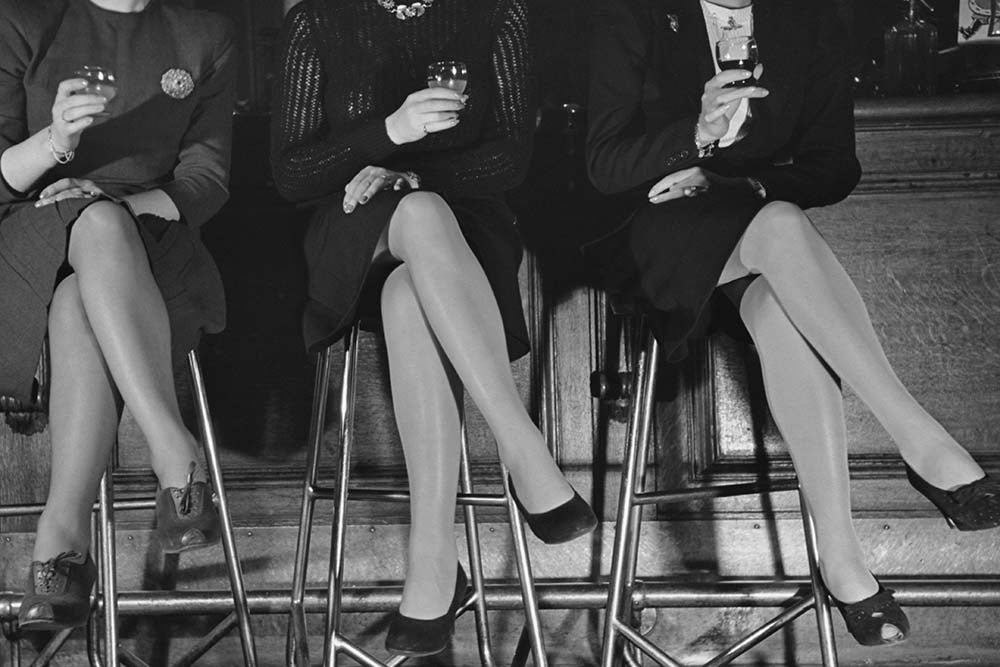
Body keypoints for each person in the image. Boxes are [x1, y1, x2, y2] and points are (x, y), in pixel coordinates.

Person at [585, 0, 1000, 647]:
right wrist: (694, 134)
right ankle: (920, 440)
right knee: (781, 225)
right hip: (648, 233)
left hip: (752, 233)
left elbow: (834, 164)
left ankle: (844, 561)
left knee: (782, 297)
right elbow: (603, 166)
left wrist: (741, 183)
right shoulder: (636, 15)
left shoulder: (807, 19)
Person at [271, 0, 597, 656]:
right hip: (354, 223)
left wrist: (415, 171)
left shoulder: (495, 13)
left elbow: (511, 159)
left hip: (466, 234)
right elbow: (292, 174)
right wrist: (389, 132)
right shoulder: (319, 19)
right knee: (416, 214)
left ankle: (434, 563)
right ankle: (523, 448)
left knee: (409, 292)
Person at [0, 0, 235, 631]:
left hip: (152, 242)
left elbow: (207, 180)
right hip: (29, 238)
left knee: (85, 285)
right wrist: (56, 142)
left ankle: (61, 543)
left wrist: (113, 207)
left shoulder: (205, 33)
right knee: (91, 236)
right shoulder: (23, 20)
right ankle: (176, 457)